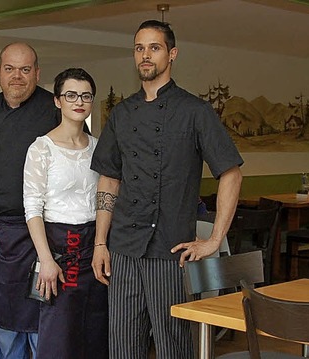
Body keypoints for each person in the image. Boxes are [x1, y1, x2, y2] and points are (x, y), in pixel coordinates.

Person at [90, 20, 243, 358]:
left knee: (174, 346)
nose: (146, 55)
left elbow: (231, 173)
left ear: (171, 54)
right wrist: (101, 243)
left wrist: (215, 239)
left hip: (171, 251)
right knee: (122, 346)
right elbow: (109, 180)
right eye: (139, 48)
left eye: (154, 47)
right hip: (123, 250)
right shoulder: (121, 113)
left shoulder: (195, 111)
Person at [0, 42, 59, 359]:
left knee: (39, 321)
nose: (16, 77)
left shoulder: (55, 111)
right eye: (9, 69)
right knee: (4, 324)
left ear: (37, 73)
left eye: (25, 69)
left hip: (41, 235)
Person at [23, 68, 108, 359]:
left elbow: (105, 200)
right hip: (59, 247)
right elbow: (32, 208)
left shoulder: (98, 147)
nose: (79, 101)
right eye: (71, 95)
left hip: (94, 246)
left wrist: (102, 244)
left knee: (96, 328)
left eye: (86, 95)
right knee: (59, 331)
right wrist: (45, 259)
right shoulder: (41, 148)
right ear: (58, 101)